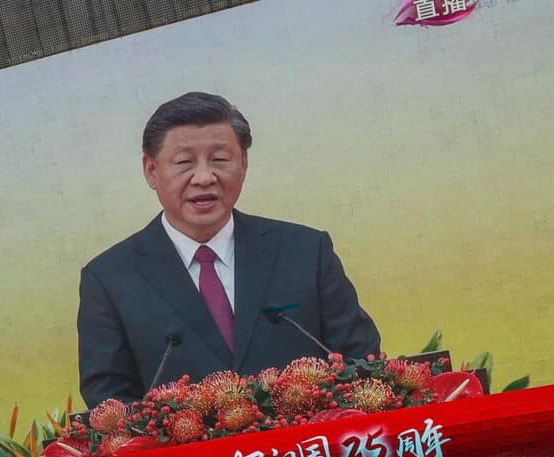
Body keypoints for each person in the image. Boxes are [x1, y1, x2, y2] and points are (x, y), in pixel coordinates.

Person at [77, 91, 382, 408]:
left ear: (244, 163)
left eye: (220, 159)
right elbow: (109, 402)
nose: (204, 177)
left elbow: (361, 359)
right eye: (184, 162)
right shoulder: (110, 280)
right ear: (151, 170)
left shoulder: (306, 251)